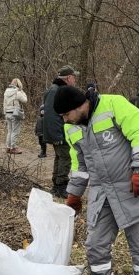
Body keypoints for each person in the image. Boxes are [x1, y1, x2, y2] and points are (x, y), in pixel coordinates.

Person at [54, 85, 139, 275]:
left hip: (133, 187)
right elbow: (79, 164)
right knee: (95, 245)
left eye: (66, 115)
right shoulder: (71, 128)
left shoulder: (114, 105)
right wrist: (74, 194)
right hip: (102, 194)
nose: (64, 120)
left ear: (79, 106)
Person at [43, 65, 79, 198]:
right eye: (74, 77)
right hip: (59, 131)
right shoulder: (59, 91)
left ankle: (56, 184)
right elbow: (53, 115)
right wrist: (58, 135)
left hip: (56, 131)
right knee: (66, 157)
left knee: (60, 157)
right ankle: (61, 186)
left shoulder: (53, 89)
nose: (75, 80)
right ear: (68, 78)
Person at [3, 78, 27, 154]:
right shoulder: (17, 92)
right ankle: (13, 147)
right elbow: (25, 100)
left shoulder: (6, 91)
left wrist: (5, 113)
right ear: (18, 84)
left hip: (7, 113)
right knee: (15, 131)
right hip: (15, 113)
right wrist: (22, 91)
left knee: (9, 131)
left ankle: (8, 147)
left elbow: (4, 103)